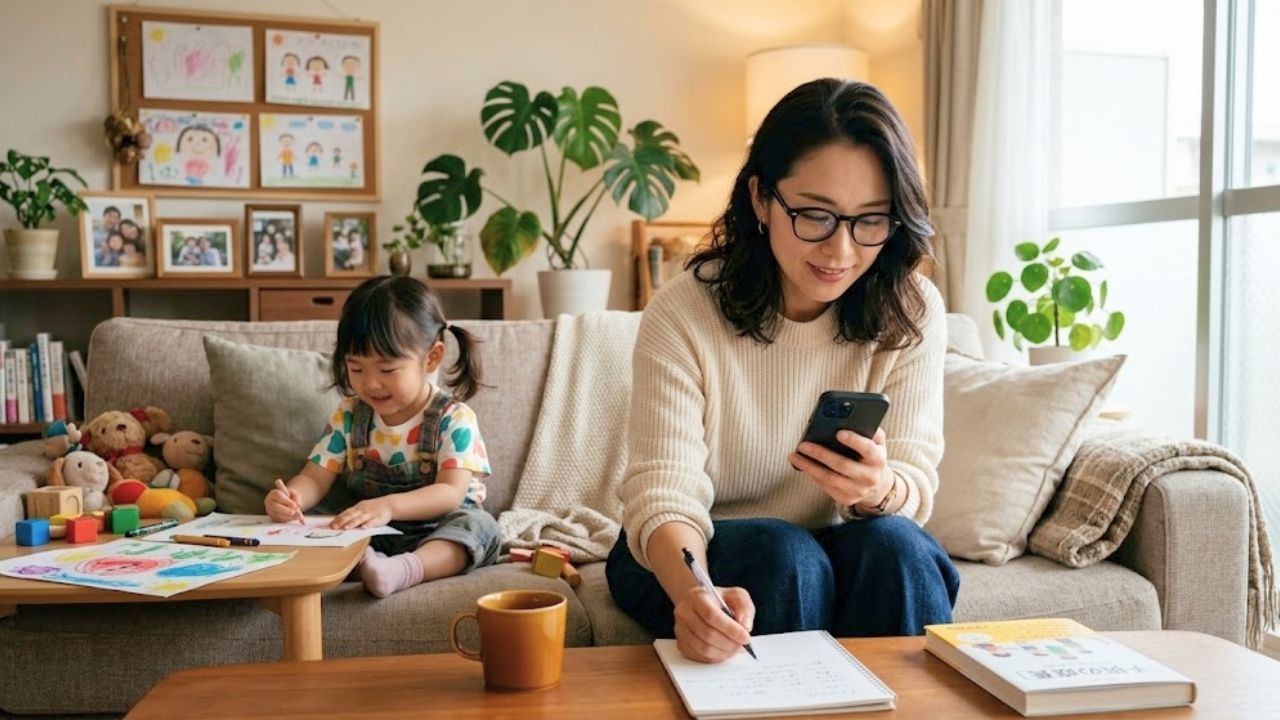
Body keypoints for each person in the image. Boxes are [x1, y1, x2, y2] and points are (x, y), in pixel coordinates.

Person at [606, 79, 959, 663]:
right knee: (784, 552)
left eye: (870, 220)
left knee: (899, 546)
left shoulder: (911, 309)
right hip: (691, 548)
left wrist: (877, 489)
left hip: (837, 541)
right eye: (815, 216)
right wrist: (696, 593)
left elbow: (914, 480)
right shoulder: (685, 311)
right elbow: (662, 492)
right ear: (761, 200)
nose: (840, 251)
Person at [265, 276, 501, 597]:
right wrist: (292, 499)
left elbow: (450, 491)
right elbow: (315, 477)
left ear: (431, 358)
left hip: (439, 527)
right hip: (373, 531)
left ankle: (404, 569)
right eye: (357, 369)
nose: (371, 384)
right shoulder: (349, 416)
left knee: (480, 529)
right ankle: (366, 563)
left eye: (387, 370)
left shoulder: (454, 418)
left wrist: (389, 506)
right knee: (319, 521)